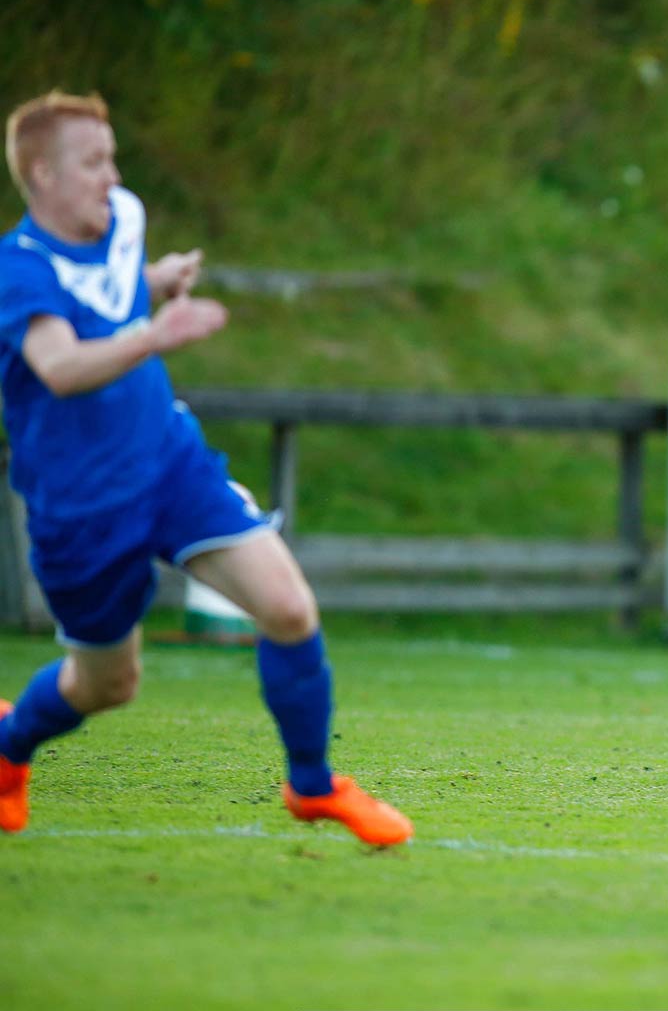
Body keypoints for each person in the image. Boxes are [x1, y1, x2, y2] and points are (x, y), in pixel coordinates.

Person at [0, 91, 410, 842]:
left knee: (287, 608)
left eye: (111, 157)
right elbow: (58, 365)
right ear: (41, 176)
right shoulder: (17, 270)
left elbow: (112, 286)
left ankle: (313, 787)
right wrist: (157, 334)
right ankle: (8, 747)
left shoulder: (123, 218)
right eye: (92, 163)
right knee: (106, 685)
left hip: (167, 463)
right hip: (81, 507)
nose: (110, 176)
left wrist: (157, 281)